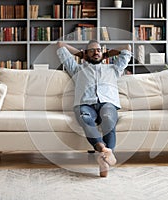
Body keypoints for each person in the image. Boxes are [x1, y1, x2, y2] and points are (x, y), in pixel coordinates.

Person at [57, 40, 132, 177]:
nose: (95, 52)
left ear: (102, 52)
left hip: (107, 104)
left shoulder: (114, 69)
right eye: (91, 50)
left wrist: (107, 54)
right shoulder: (77, 69)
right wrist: (82, 55)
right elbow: (61, 45)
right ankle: (104, 151)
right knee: (85, 118)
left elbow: (127, 48)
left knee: (108, 118)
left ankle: (103, 160)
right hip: (85, 104)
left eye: (98, 50)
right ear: (86, 53)